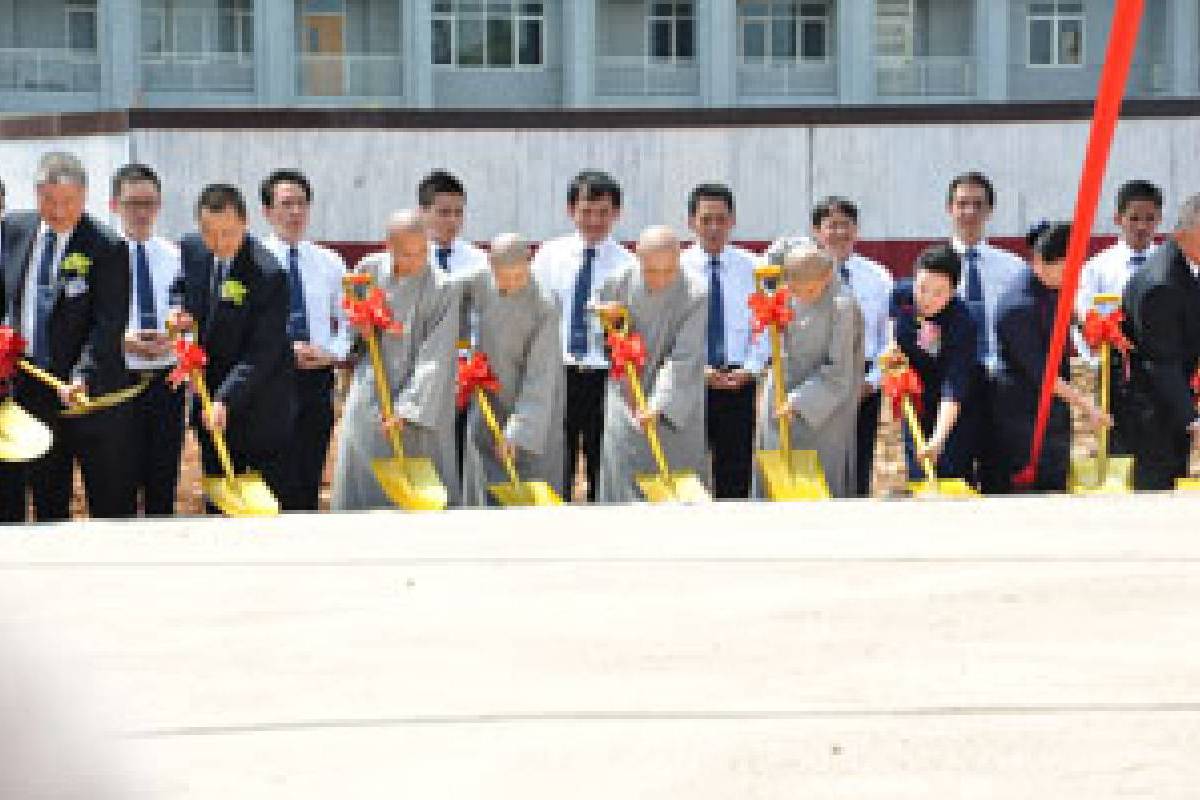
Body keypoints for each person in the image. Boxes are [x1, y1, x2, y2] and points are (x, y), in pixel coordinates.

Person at [0, 151, 133, 522]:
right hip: (27, 388)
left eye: (68, 202)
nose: (58, 212)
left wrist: (81, 376)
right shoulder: (13, 230)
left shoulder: (106, 247)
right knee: (46, 495)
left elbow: (107, 326)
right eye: (49, 201)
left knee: (105, 501)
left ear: (85, 197)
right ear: (35, 194)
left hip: (81, 395)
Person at [168, 184, 295, 508]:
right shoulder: (192, 249)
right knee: (218, 500)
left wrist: (226, 398)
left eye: (228, 233)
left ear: (246, 222)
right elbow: (182, 287)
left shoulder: (268, 274)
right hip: (209, 401)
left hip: (258, 408)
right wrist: (179, 310)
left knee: (258, 506)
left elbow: (262, 352)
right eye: (210, 233)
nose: (219, 243)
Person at [331, 209, 460, 510]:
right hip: (372, 389)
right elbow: (347, 329)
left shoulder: (444, 287)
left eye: (422, 252)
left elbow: (437, 356)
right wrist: (359, 329)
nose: (416, 261)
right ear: (388, 246)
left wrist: (407, 408)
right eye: (406, 254)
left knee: (423, 487)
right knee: (365, 478)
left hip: (421, 401)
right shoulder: (367, 272)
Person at [531, 170, 637, 501]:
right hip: (558, 371)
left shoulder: (628, 265)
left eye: (604, 212)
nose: (594, 221)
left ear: (617, 213)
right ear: (571, 210)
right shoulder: (550, 256)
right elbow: (535, 312)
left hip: (604, 374)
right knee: (553, 456)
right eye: (586, 211)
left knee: (601, 457)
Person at [993, 221, 1110, 493]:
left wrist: (1091, 328)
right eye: (1069, 268)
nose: (1075, 276)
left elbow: (1069, 313)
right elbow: (1043, 375)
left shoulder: (1053, 286)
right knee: (1030, 490)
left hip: (1053, 411)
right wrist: (1088, 407)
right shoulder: (1018, 307)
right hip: (1023, 416)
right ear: (1042, 264)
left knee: (1057, 482)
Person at [260, 168, 352, 511]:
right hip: (270, 382)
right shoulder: (254, 260)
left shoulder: (330, 262)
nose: (295, 212)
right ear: (267, 212)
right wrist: (283, 351)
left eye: (301, 204)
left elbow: (349, 322)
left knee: (308, 473)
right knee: (273, 474)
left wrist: (330, 353)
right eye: (286, 204)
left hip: (316, 380)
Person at [594, 226, 706, 504]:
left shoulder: (696, 292)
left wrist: (659, 404)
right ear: (637, 258)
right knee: (625, 475)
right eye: (651, 272)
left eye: (668, 271)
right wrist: (610, 334)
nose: (660, 280)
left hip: (675, 401)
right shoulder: (615, 284)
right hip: (626, 393)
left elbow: (684, 357)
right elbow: (598, 337)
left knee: (677, 477)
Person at [458, 234, 564, 506]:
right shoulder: (477, 281)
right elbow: (447, 301)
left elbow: (540, 377)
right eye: (504, 276)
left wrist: (518, 432)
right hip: (487, 394)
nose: (512, 284)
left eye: (519, 275)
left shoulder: (545, 305)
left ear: (529, 261)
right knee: (485, 483)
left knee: (529, 481)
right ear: (490, 263)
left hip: (533, 407)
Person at [753, 241, 863, 499]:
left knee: (820, 478)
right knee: (774, 474)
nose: (802, 296)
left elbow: (839, 371)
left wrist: (797, 401)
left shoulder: (843, 307)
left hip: (823, 408)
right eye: (794, 290)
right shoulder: (785, 291)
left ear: (827, 276)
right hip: (780, 391)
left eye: (811, 290)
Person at [110, 163, 185, 516]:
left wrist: (175, 335)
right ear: (115, 205)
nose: (141, 212)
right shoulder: (103, 256)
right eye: (132, 203)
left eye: (149, 203)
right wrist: (124, 341)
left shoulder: (176, 257)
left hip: (166, 382)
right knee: (118, 478)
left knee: (163, 477)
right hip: (119, 379)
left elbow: (188, 311)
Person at [681, 183, 764, 499]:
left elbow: (765, 325)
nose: (714, 228)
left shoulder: (754, 267)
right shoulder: (677, 268)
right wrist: (696, 370)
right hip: (691, 382)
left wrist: (752, 368)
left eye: (721, 219)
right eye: (706, 220)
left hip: (738, 382)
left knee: (735, 469)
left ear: (732, 221)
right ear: (691, 222)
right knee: (689, 470)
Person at [945, 171, 1026, 493]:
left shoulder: (1013, 267)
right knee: (954, 470)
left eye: (978, 205)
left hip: (1000, 379)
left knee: (999, 470)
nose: (970, 212)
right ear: (949, 208)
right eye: (962, 204)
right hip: (954, 381)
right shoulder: (934, 265)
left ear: (990, 211)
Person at [811, 196, 893, 497]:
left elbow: (889, 338)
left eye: (846, 225)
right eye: (831, 226)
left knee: (859, 463)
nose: (839, 233)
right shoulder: (802, 278)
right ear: (817, 232)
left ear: (856, 230)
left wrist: (872, 382)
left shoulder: (879, 277)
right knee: (819, 462)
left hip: (864, 385)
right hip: (817, 382)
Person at [1075, 179, 1163, 457]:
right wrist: (1097, 360)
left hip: (1162, 367)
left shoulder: (1171, 265)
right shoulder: (1097, 268)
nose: (1142, 226)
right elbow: (1082, 316)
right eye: (1134, 218)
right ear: (1118, 219)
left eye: (1150, 219)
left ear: (1159, 220)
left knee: (1160, 446)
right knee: (1119, 447)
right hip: (1115, 372)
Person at [1120, 194, 1200, 490]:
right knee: (1156, 490)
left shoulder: (1187, 262)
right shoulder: (1161, 284)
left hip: (1174, 398)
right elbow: (1161, 361)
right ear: (1182, 235)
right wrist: (1193, 420)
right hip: (1152, 411)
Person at [418, 170, 489, 479]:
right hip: (422, 370)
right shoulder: (411, 259)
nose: (452, 220)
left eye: (458, 212)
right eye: (443, 212)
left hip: (466, 372)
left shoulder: (479, 261)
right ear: (424, 213)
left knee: (463, 449)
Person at [888, 244, 978, 482]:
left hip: (952, 409)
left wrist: (939, 438)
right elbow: (893, 328)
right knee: (918, 473)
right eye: (922, 288)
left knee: (950, 474)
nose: (927, 299)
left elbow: (954, 385)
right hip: (914, 399)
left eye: (938, 292)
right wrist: (893, 351)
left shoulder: (963, 322)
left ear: (953, 291)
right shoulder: (902, 295)